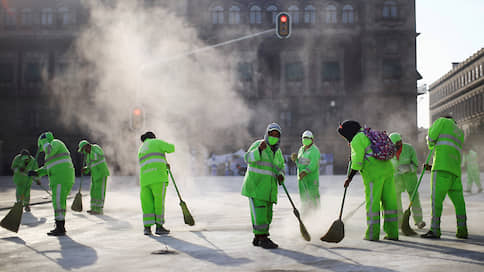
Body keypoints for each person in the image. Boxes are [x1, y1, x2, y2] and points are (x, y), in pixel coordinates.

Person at [338, 120, 399, 241]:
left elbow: (357, 163)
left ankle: (372, 234)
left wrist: (349, 178)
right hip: (387, 171)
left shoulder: (357, 140)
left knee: (373, 204)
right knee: (390, 202)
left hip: (373, 175)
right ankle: (393, 233)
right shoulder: (369, 133)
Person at [421, 116, 468, 239]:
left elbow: (431, 137)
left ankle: (435, 230)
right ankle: (462, 230)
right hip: (455, 172)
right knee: (459, 203)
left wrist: (430, 143)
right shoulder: (459, 132)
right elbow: (449, 150)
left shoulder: (442, 121)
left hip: (441, 169)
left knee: (436, 201)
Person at [241, 123, 285, 249]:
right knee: (260, 215)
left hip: (269, 189)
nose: (274, 137)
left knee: (267, 215)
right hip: (256, 187)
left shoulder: (277, 152)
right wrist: (259, 150)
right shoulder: (258, 144)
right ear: (267, 134)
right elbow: (247, 158)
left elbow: (281, 166)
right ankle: (263, 237)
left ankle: (258, 237)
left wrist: (281, 175)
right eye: (272, 134)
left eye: (277, 135)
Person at [29, 132, 75, 236]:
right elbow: (47, 167)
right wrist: (36, 172)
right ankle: (60, 225)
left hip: (61, 177)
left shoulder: (55, 143)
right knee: (58, 202)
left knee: (58, 202)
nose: (43, 150)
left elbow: (49, 150)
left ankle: (60, 227)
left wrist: (44, 141)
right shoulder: (50, 153)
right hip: (59, 178)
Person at [138, 131, 175, 235]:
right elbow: (171, 148)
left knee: (147, 204)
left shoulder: (141, 148)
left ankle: (147, 228)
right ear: (153, 137)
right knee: (158, 203)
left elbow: (150, 161)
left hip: (145, 181)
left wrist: (163, 163)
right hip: (158, 179)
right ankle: (159, 227)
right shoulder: (156, 142)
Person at [389, 132, 426, 230]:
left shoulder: (409, 149)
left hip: (410, 179)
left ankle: (419, 221)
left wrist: (407, 168)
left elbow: (416, 165)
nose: (397, 146)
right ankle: (400, 222)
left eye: (398, 143)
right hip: (396, 180)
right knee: (396, 202)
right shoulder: (389, 152)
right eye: (394, 145)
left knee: (415, 200)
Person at [291, 130, 320, 213]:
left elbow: (313, 165)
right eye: (304, 138)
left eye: (308, 138)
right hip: (302, 179)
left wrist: (305, 171)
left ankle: (316, 214)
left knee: (313, 197)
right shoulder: (301, 149)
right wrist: (296, 159)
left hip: (311, 179)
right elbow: (300, 163)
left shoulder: (315, 151)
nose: (305, 140)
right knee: (304, 199)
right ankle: (305, 214)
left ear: (312, 139)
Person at [78, 140, 111, 215]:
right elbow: (90, 166)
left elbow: (98, 156)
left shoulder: (96, 148)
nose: (84, 152)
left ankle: (99, 209)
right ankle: (93, 208)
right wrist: (85, 169)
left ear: (87, 146)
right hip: (95, 175)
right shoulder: (88, 155)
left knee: (100, 192)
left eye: (83, 149)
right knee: (93, 192)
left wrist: (90, 152)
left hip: (102, 174)